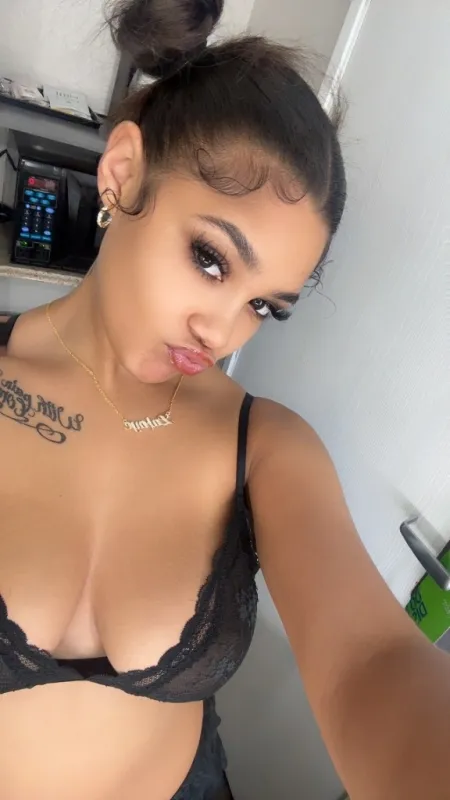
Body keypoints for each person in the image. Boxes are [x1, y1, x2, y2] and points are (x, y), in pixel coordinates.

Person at [1, 1, 449, 799]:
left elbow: (368, 661)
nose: (222, 330)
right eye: (211, 259)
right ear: (122, 172)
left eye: (264, 305)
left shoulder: (266, 446)